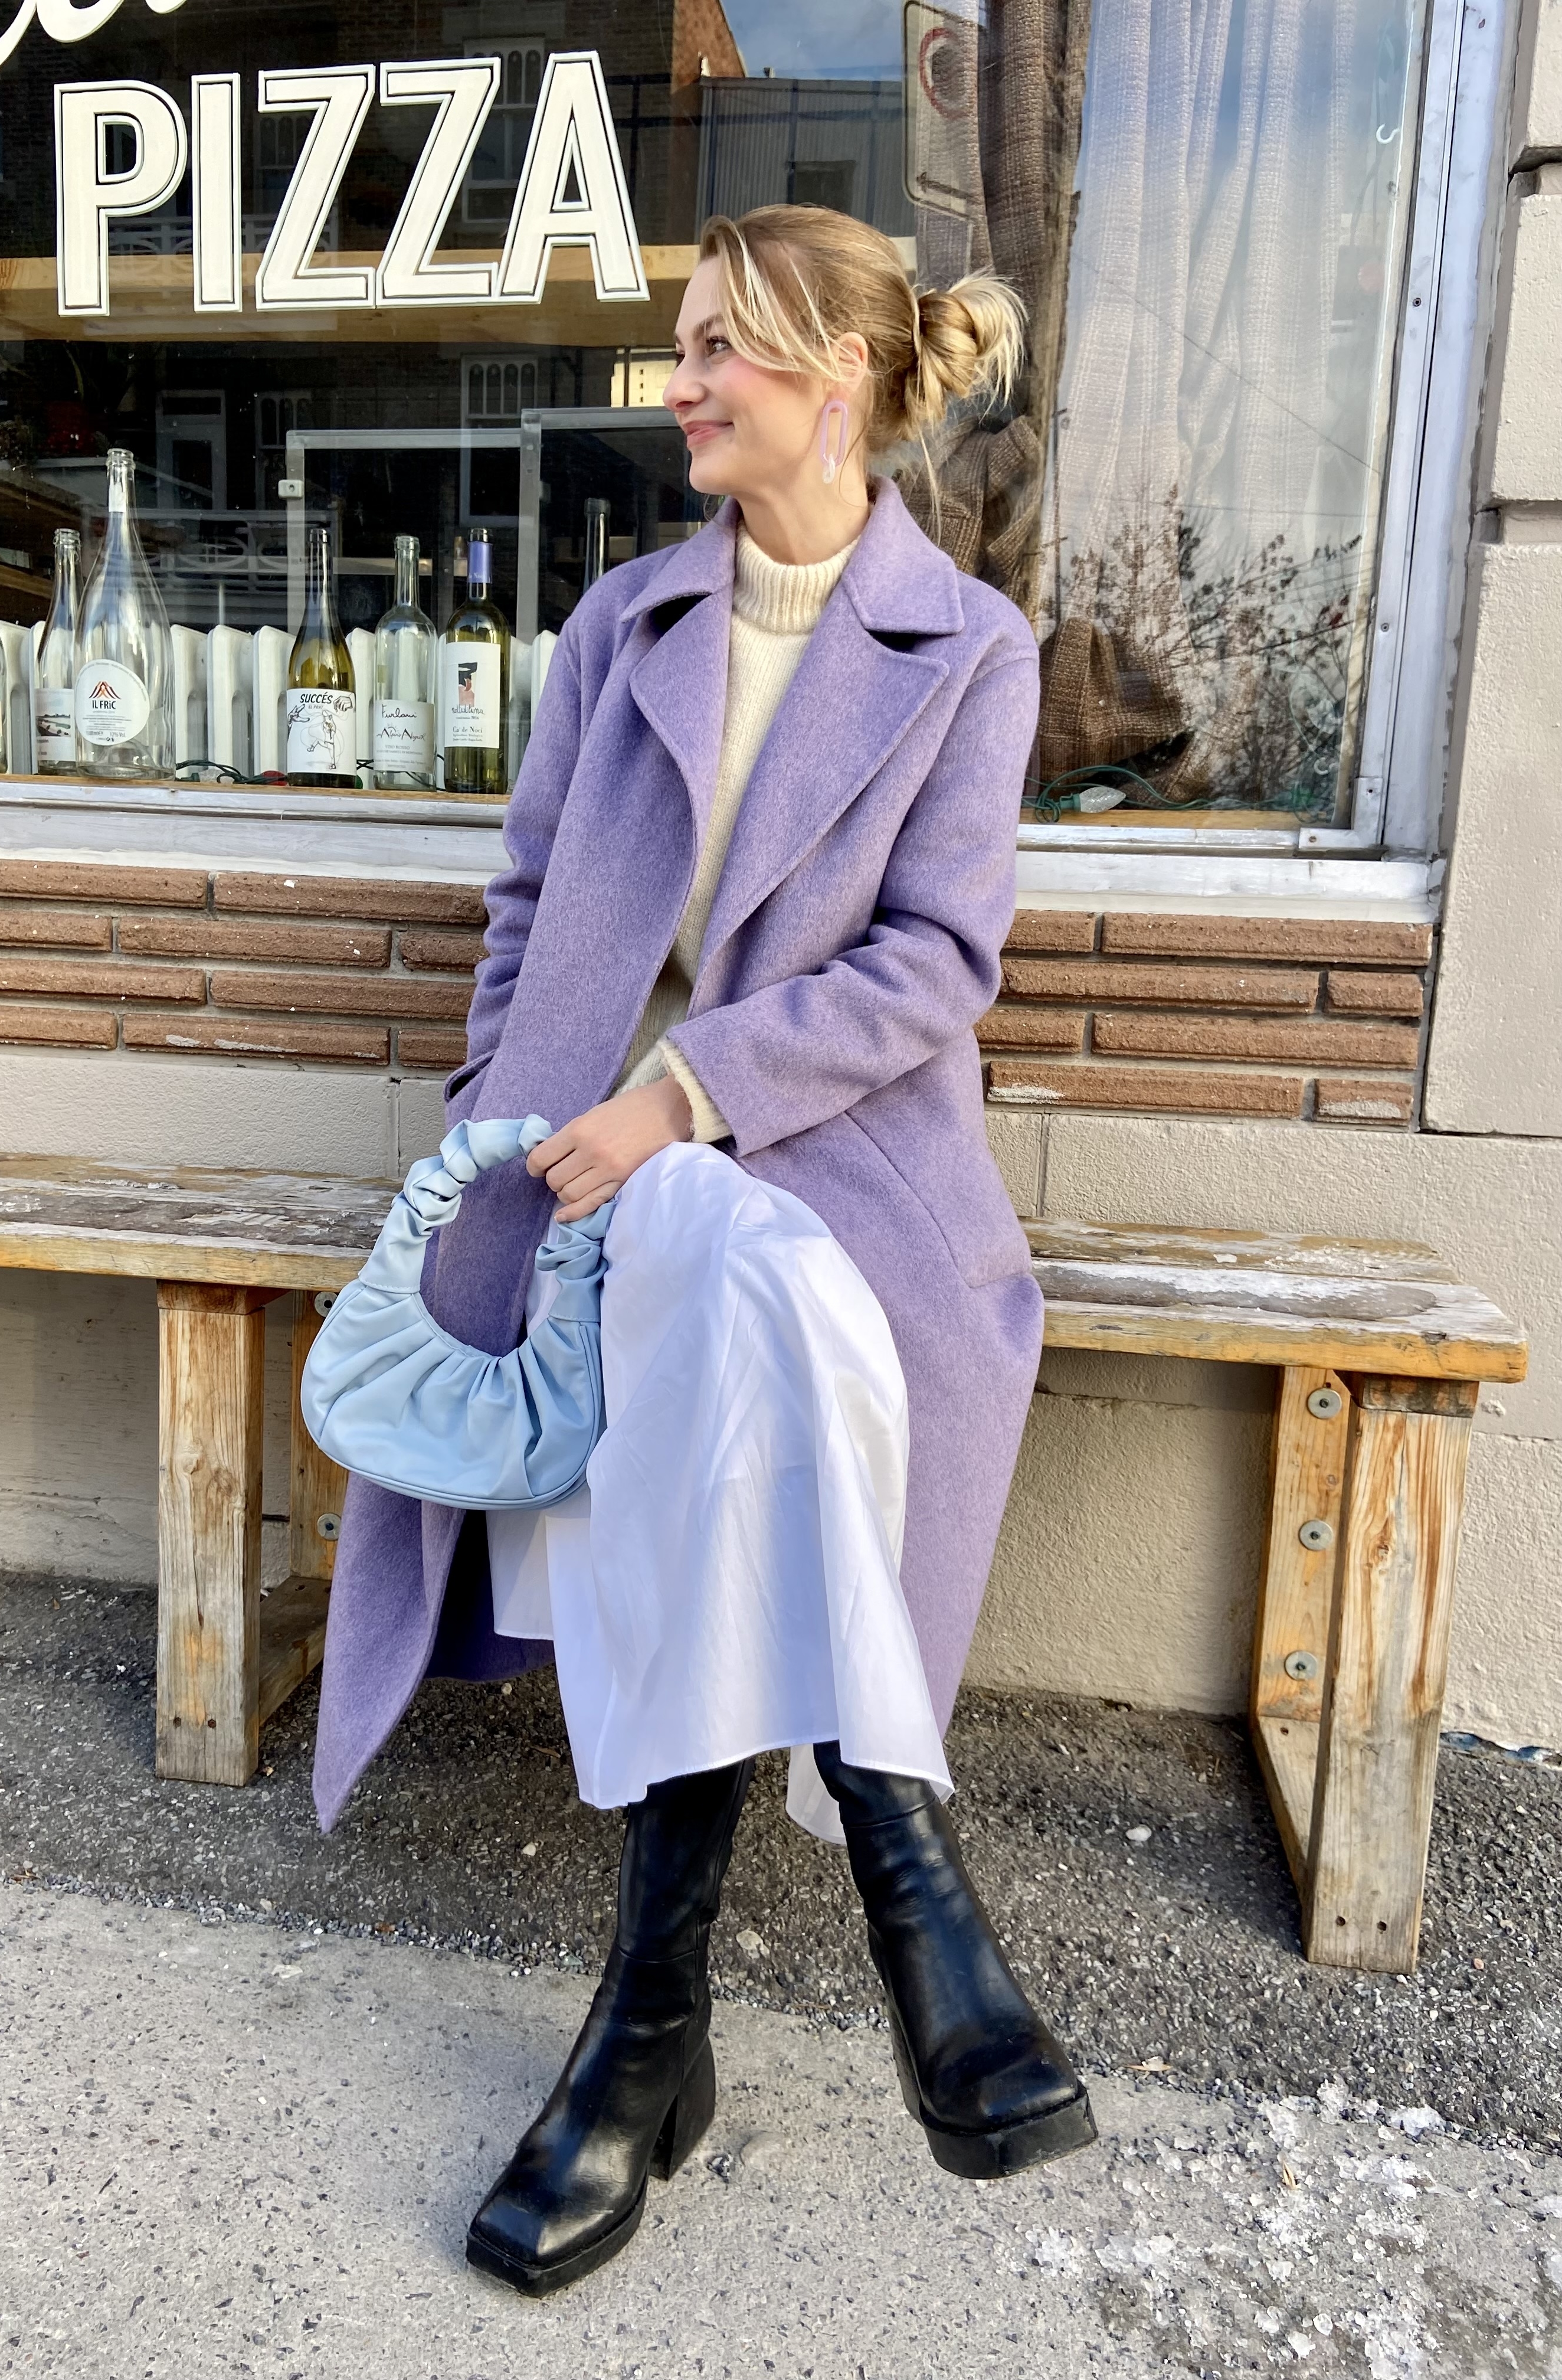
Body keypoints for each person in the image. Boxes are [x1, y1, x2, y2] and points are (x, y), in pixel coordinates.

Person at [310, 204, 1093, 2297]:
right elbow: (527, 896)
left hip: (836, 1167)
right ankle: (902, 1870)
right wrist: (524, 1099)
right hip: (577, 1157)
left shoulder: (969, 650)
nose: (679, 386)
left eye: (718, 350)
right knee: (689, 1303)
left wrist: (693, 1095)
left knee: (723, 1286)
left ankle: (646, 2037)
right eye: (681, 348)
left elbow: (942, 964)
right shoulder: (619, 624)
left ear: (834, 378)